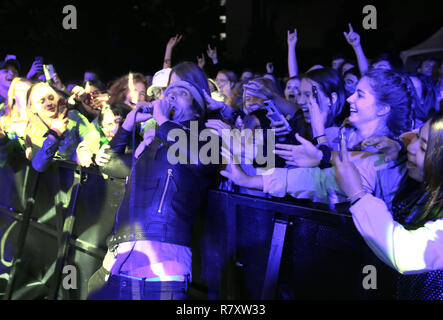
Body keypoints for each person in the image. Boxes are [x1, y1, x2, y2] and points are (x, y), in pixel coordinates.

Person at [87, 79, 220, 300]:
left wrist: (162, 119)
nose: (171, 96)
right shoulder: (153, 142)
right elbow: (109, 163)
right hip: (114, 265)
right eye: (169, 92)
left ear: (197, 111)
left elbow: (200, 160)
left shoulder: (207, 139)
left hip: (159, 273)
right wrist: (128, 124)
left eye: (182, 93)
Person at [334, 113, 443, 299]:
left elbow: (407, 253)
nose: (412, 146)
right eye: (416, 137)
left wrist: (358, 195)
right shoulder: (418, 186)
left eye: (424, 147)